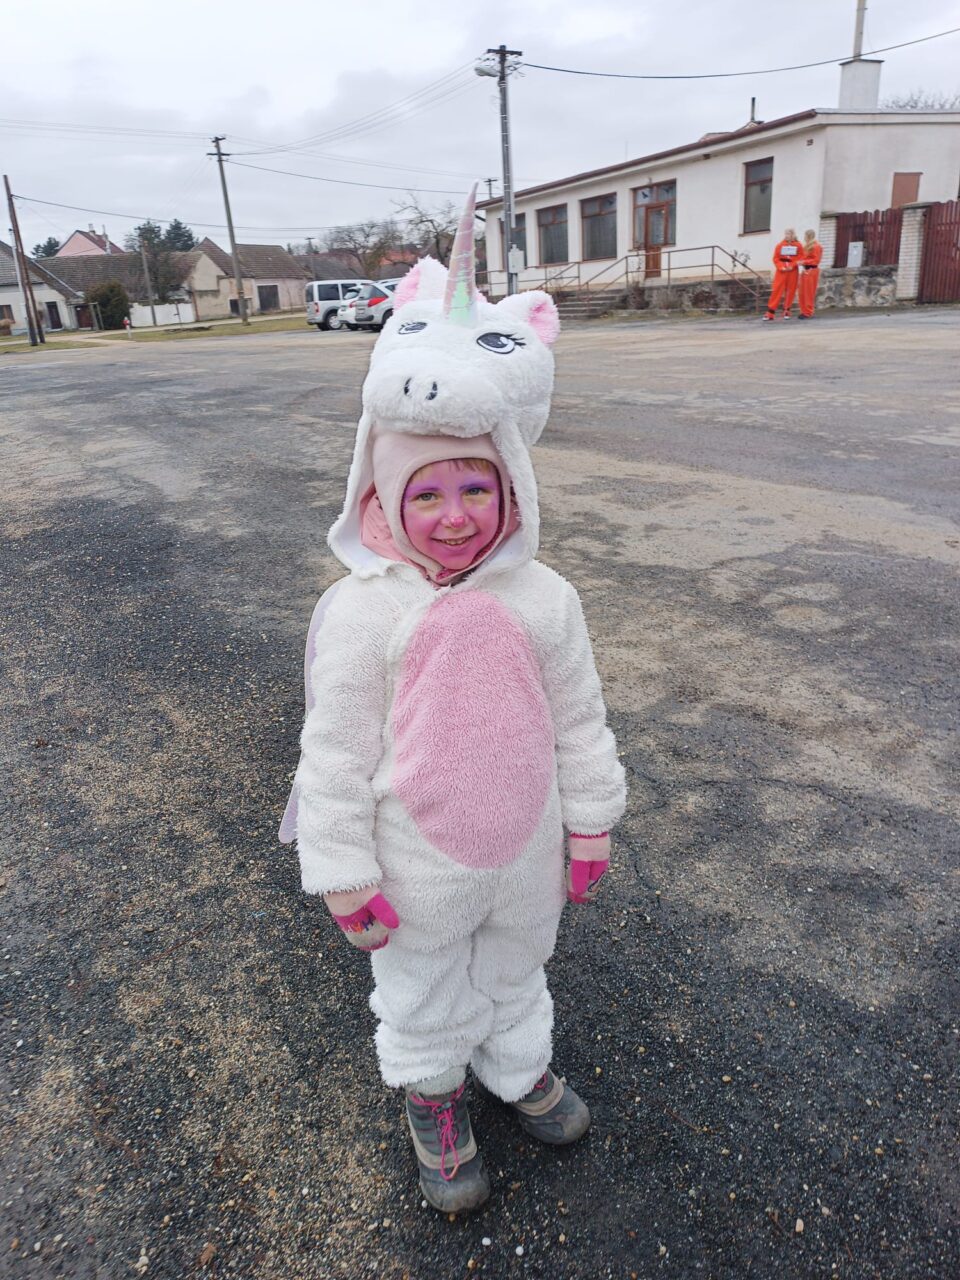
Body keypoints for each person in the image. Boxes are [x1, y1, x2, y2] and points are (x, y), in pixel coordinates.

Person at [279, 185, 626, 1214]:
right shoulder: (362, 613)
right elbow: (334, 752)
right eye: (424, 493)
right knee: (424, 984)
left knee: (517, 966)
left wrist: (591, 822)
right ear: (381, 499)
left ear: (512, 485)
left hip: (524, 853)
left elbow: (580, 718)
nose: (455, 513)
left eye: (476, 487)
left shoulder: (545, 598)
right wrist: (343, 871)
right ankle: (434, 1095)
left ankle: (518, 1067)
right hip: (414, 865)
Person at [762, 227, 803, 321]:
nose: (787, 236)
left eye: (789, 234)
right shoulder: (780, 245)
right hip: (781, 271)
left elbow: (801, 257)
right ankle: (770, 312)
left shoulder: (798, 245)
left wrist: (792, 265)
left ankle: (787, 310)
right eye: (786, 234)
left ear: (793, 235)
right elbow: (775, 258)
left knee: (791, 290)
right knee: (776, 290)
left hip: (792, 271)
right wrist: (781, 266)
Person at [798, 228, 824, 319]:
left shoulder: (816, 246)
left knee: (808, 292)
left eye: (805, 236)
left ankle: (808, 312)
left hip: (811, 271)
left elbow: (816, 260)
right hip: (805, 270)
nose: (804, 237)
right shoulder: (807, 246)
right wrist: (801, 261)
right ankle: (804, 311)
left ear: (808, 236)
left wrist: (804, 262)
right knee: (802, 293)